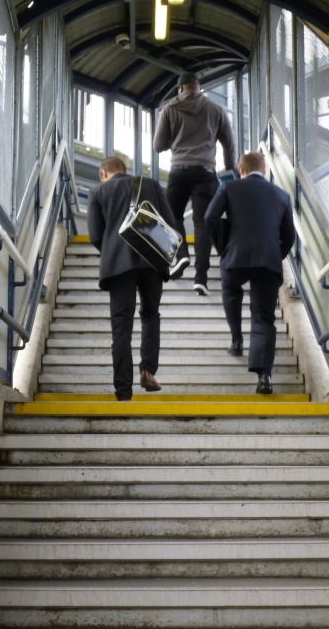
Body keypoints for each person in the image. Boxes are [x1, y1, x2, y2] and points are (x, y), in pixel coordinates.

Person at [87, 156, 178, 401]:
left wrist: (114, 251)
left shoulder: (97, 192)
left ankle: (123, 392)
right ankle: (148, 370)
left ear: (103, 173)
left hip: (118, 268)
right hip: (152, 262)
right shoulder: (150, 185)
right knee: (150, 315)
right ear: (124, 171)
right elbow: (170, 224)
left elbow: (96, 235)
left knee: (121, 330)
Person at [205, 151, 294, 394]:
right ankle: (264, 377)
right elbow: (289, 237)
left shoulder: (229, 188)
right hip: (268, 260)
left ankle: (236, 339)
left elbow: (209, 217)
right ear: (264, 171)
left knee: (230, 289)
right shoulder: (282, 195)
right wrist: (275, 255)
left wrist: (223, 247)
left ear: (240, 171)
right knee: (263, 317)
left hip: (235, 257)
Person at [152, 71, 236, 296]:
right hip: (206, 172)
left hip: (178, 170)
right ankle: (201, 279)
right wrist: (230, 171)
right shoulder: (217, 109)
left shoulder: (169, 109)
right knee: (202, 224)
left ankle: (182, 255)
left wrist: (176, 135)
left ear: (180, 89)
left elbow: (158, 145)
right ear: (199, 88)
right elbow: (229, 144)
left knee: (171, 217)